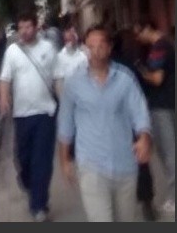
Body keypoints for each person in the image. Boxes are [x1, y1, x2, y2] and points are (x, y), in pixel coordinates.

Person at [57, 25, 152, 222]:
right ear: (85, 49)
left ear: (109, 48)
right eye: (91, 47)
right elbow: (65, 123)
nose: (96, 52)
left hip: (125, 164)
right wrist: (65, 160)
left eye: (101, 46)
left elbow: (139, 112)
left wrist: (144, 138)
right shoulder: (74, 83)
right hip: (91, 166)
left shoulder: (125, 79)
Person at [0, 11, 58, 222]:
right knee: (24, 159)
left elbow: (57, 79)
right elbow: (5, 78)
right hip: (22, 115)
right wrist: (4, 99)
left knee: (42, 160)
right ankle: (31, 185)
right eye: (21, 27)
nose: (24, 31)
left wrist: (65, 105)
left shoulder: (48, 49)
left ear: (36, 27)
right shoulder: (13, 51)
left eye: (28, 27)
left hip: (45, 113)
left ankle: (38, 205)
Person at [112, 28, 157, 221]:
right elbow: (144, 90)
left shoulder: (103, 68)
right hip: (132, 120)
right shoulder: (131, 65)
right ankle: (146, 202)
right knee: (141, 162)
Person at [134, 19, 175, 215]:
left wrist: (142, 72)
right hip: (169, 103)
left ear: (147, 28)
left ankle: (176, 197)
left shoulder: (159, 47)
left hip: (162, 106)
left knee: (169, 153)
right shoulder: (167, 43)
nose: (137, 38)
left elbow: (157, 78)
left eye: (138, 33)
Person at [53, 24, 89, 96]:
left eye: (71, 38)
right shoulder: (59, 58)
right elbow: (59, 83)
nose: (69, 42)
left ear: (76, 38)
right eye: (66, 40)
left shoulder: (83, 56)